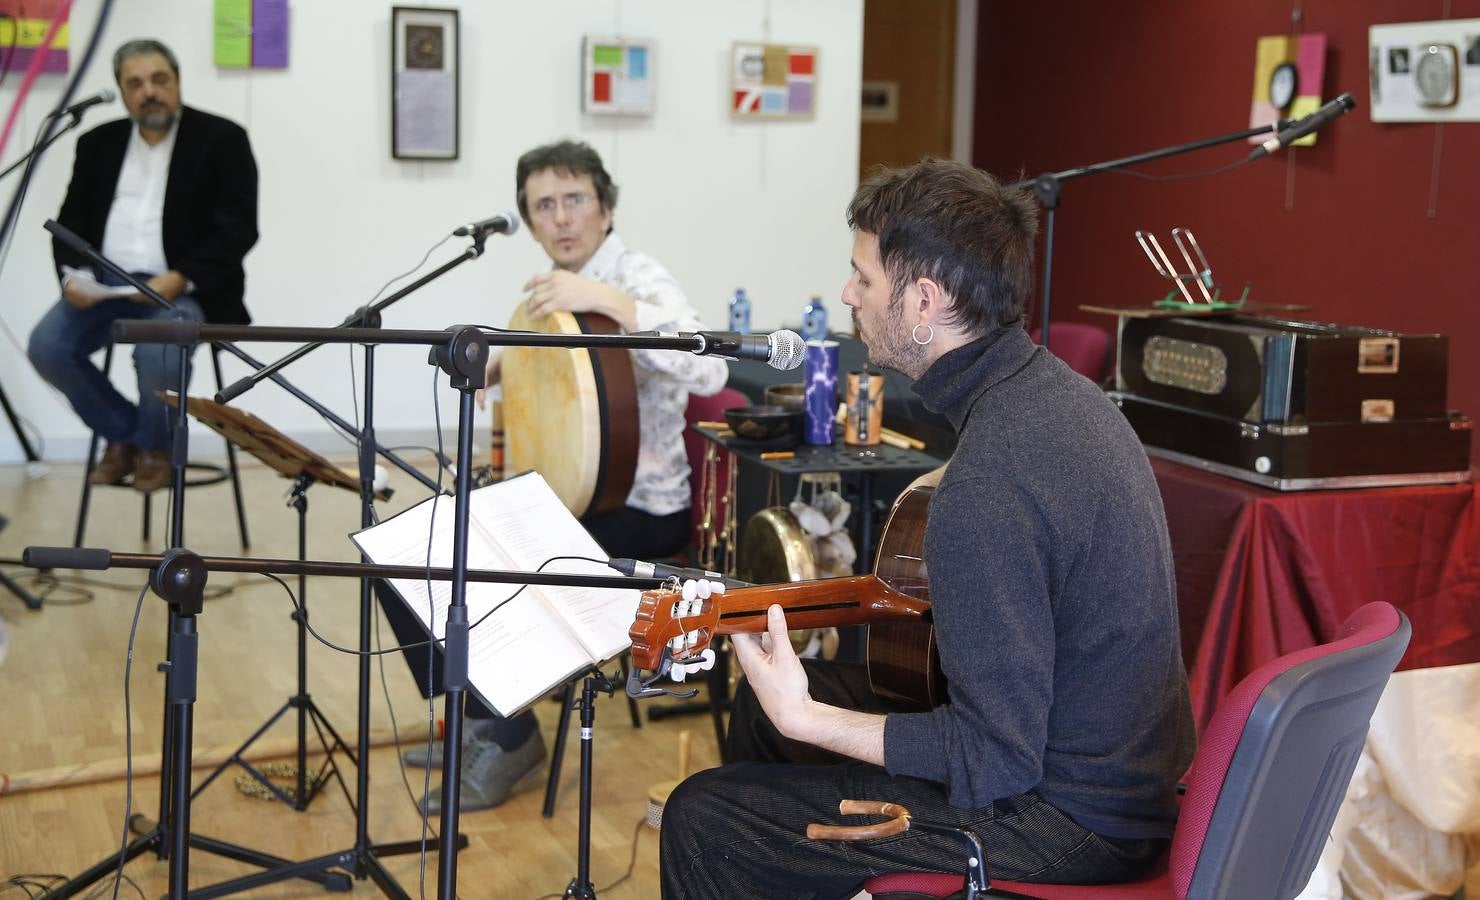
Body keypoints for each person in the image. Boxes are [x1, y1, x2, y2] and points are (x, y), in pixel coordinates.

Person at [658, 158, 1196, 899]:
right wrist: (796, 708)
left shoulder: (990, 478)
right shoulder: (1059, 397)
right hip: (1111, 778)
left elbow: (994, 759)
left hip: (1069, 822)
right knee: (764, 713)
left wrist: (812, 719)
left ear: (922, 301)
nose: (847, 294)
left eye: (864, 278)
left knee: (705, 817)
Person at [379, 139, 728, 813]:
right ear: (529, 221)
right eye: (545, 205)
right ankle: (480, 720)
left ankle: (509, 741)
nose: (562, 218)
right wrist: (499, 360)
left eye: (575, 200)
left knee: (479, 562)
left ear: (604, 207)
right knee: (409, 550)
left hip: (643, 506)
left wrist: (609, 300)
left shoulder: (638, 275)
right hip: (571, 497)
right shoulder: (546, 296)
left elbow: (710, 369)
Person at [27, 39, 259, 493]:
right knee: (47, 346)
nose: (148, 91)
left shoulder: (222, 138)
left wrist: (182, 276)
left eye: (159, 80)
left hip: (182, 288)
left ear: (177, 82)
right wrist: (76, 278)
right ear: (122, 90)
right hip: (104, 286)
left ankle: (156, 449)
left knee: (159, 348)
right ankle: (127, 435)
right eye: (135, 83)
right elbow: (70, 224)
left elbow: (238, 228)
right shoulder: (97, 143)